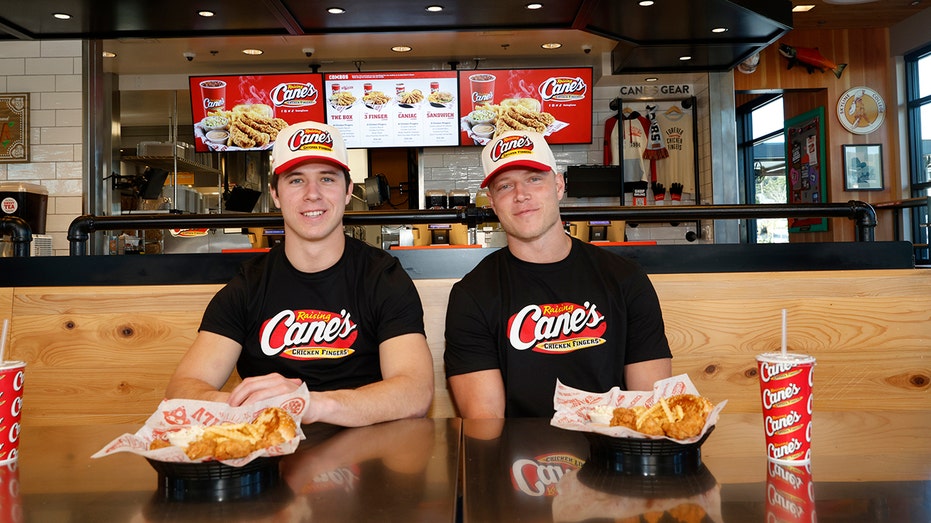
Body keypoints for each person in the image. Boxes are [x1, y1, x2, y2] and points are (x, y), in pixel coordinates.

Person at [166, 121, 434, 427]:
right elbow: (181, 390)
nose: (312, 194)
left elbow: (415, 392)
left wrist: (309, 404)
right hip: (268, 458)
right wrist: (250, 403)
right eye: (296, 181)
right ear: (275, 194)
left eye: (327, 179)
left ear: (348, 191)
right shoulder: (249, 285)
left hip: (369, 456)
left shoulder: (383, 277)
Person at [444, 130, 672, 418]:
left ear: (559, 185)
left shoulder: (625, 278)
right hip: (516, 459)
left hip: (612, 451)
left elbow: (649, 407)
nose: (521, 195)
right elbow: (486, 421)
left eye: (534, 179)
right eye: (505, 186)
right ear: (491, 201)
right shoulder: (473, 295)